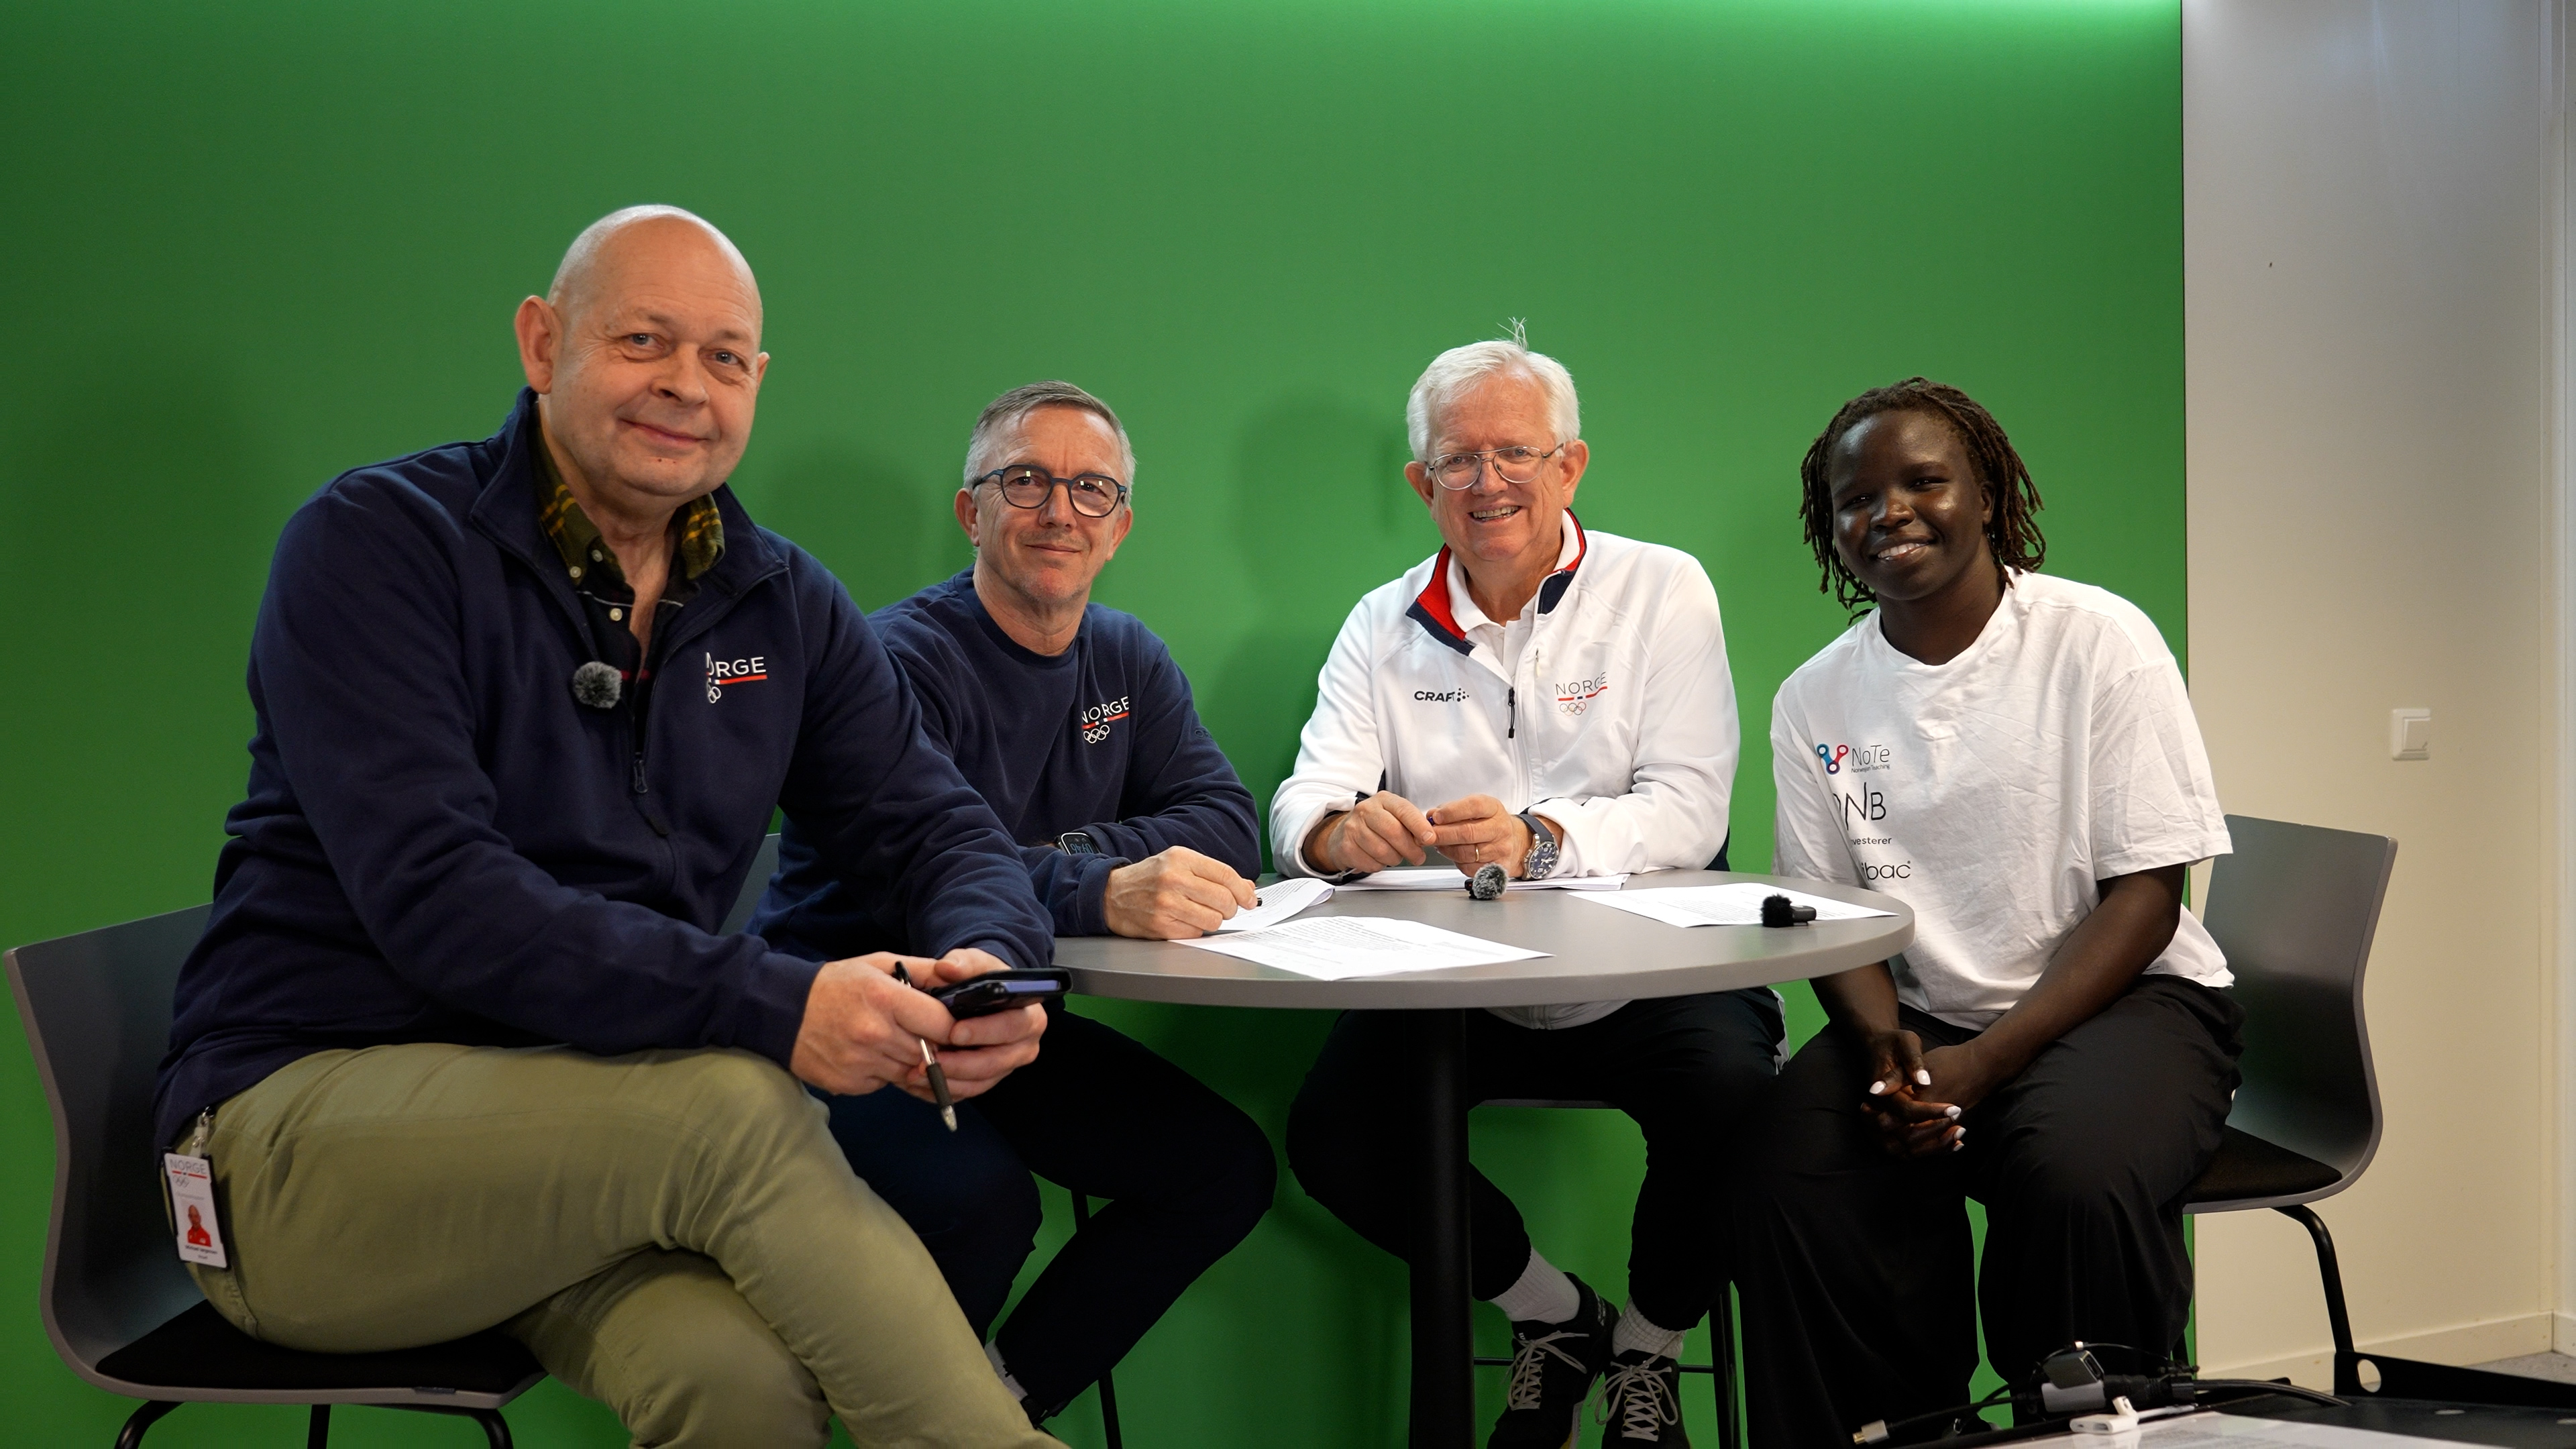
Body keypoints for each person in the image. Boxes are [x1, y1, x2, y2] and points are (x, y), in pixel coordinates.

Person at [154, 205, 1065, 1449]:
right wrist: (779, 1007)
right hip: (286, 1154)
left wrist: (992, 965)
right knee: (736, 1105)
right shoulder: (376, 547)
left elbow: (934, 826)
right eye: (644, 340)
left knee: (741, 1379)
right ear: (543, 344)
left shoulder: (780, 601)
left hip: (576, 1142)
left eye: (726, 357)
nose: (686, 386)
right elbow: (443, 902)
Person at [1273, 331, 1776, 1448]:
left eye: (1516, 454)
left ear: (1572, 466)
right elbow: (1298, 803)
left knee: (1742, 1101)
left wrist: (1540, 836)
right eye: (1458, 460)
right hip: (1460, 983)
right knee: (1334, 1136)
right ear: (1422, 484)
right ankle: (1553, 1315)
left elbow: (1691, 812)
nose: (1488, 481)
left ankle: (1650, 1343)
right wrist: (1337, 832)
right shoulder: (1380, 620)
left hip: (1652, 972)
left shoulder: (1664, 588)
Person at [751, 380, 1277, 1426]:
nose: (1059, 512)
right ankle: (895, 1423)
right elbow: (914, 874)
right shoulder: (894, 663)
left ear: (1120, 527)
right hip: (865, 1016)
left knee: (1223, 1171)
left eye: (1092, 490)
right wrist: (1097, 887)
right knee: (983, 1203)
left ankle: (991, 1409)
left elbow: (1223, 818)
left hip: (1010, 1021)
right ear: (972, 511)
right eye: (1026, 481)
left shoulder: (1124, 656)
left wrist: (1068, 858)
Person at [1737, 378, 2243, 1446]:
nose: (1889, 513)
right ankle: (1903, 1428)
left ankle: (2079, 1431)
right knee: (1789, 1169)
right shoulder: (1815, 697)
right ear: (1829, 527)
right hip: (1917, 1018)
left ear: (1990, 498)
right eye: (1855, 498)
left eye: (1925, 482)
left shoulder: (2098, 642)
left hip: (2124, 1005)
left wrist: (1986, 1062)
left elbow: (2149, 897)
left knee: (2071, 1176)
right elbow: (1834, 917)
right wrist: (1889, 1059)